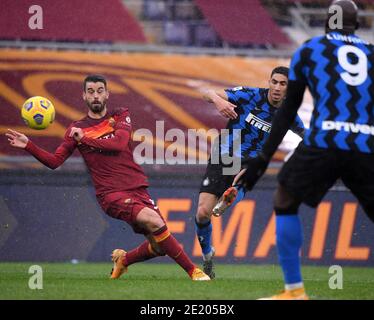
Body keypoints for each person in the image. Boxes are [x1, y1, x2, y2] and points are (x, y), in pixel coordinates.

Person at [6, 74, 210, 281]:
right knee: (154, 221)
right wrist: (29, 145)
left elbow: (119, 144)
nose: (96, 96)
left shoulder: (120, 115)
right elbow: (55, 161)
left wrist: (84, 138)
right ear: (84, 96)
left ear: (107, 94)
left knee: (159, 246)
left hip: (137, 188)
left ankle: (124, 260)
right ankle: (194, 272)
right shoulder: (76, 129)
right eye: (91, 92)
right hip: (110, 194)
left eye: (100, 91)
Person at [236, 0, 374, 299]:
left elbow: (288, 110)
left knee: (285, 198)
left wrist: (262, 160)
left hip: (324, 140)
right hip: (365, 143)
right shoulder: (371, 54)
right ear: (357, 25)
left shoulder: (310, 49)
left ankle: (294, 290)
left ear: (327, 23)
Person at [195, 67, 305, 279]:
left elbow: (307, 135)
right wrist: (219, 102)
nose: (277, 87)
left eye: (283, 84)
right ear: (269, 82)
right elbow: (206, 92)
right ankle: (208, 255)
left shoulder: (289, 113)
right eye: (274, 82)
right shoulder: (251, 95)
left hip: (252, 160)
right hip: (224, 155)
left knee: (248, 172)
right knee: (201, 213)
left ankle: (232, 195)